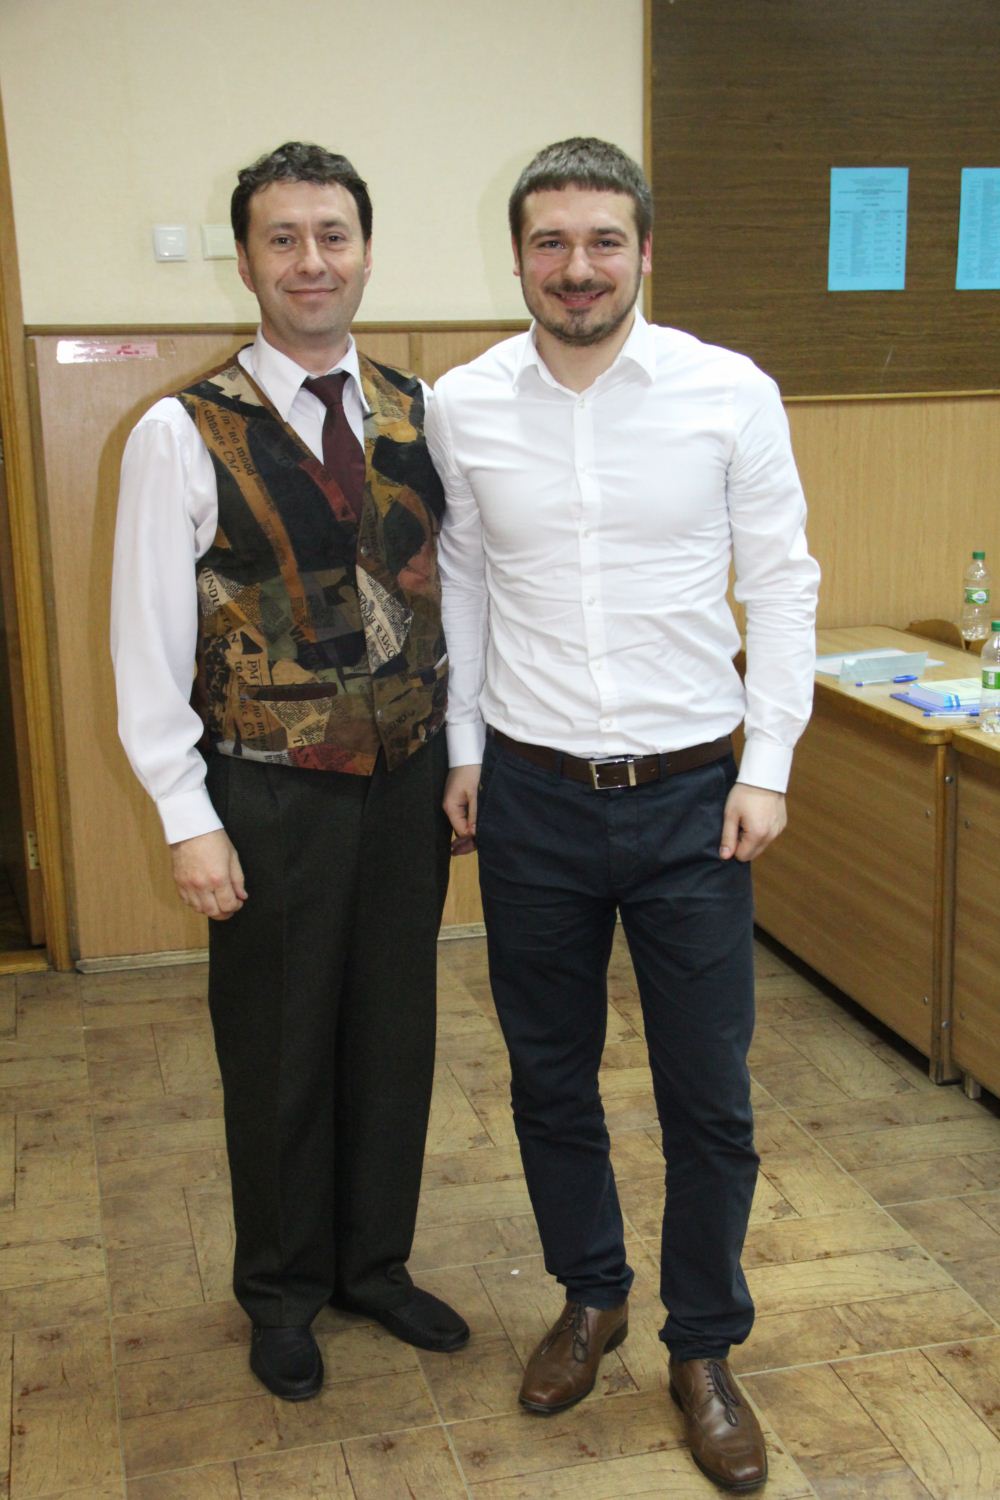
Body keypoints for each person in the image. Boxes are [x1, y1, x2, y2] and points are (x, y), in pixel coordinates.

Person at [426, 137, 819, 1492]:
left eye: (603, 241)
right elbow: (464, 586)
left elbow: (783, 580)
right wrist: (465, 750)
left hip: (694, 802)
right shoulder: (464, 405)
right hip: (530, 796)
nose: (577, 267)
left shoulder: (728, 392)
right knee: (550, 1077)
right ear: (519, 257)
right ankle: (590, 1294)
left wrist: (769, 763)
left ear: (645, 251)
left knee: (710, 1098)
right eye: (551, 242)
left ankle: (703, 1346)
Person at [111, 141, 468, 1403]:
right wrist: (184, 813)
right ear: (247, 260)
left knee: (392, 1033)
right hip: (265, 788)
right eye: (283, 239)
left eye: (332, 236)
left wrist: (464, 752)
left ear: (365, 252)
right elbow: (145, 641)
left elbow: (459, 599)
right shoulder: (179, 431)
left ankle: (374, 1263)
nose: (311, 261)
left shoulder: (423, 413)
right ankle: (280, 1289)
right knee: (276, 1049)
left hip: (407, 782)